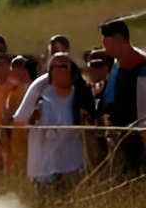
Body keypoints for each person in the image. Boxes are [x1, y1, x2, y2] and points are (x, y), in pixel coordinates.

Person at [13, 53, 93, 186]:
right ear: (50, 70)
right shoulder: (39, 88)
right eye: (58, 67)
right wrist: (34, 116)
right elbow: (20, 118)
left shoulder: (80, 90)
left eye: (65, 67)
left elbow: (92, 117)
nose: (62, 71)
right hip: (44, 162)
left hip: (72, 160)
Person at [98, 17, 146, 170]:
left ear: (119, 39)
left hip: (140, 140)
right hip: (120, 140)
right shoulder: (116, 67)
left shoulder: (143, 67)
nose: (103, 46)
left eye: (107, 40)